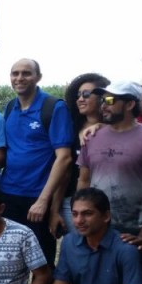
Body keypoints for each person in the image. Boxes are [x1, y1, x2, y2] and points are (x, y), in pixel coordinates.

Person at [77, 80, 142, 284]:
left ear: (129, 104)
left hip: (132, 230)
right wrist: (79, 218)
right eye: (102, 99)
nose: (103, 105)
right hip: (96, 228)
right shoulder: (91, 137)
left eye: (110, 100)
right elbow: (84, 180)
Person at [1, 58, 74, 284]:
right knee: (11, 258)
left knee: (41, 261)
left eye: (26, 73)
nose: (20, 78)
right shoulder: (10, 107)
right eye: (15, 73)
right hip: (9, 194)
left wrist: (47, 204)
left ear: (38, 77)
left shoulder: (53, 108)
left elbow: (64, 159)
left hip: (37, 198)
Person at [59, 72, 107, 236]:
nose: (80, 99)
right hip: (71, 202)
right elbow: (64, 171)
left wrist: (103, 127)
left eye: (86, 94)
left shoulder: (114, 130)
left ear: (102, 97)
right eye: (78, 95)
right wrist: (54, 209)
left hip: (104, 202)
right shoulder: (70, 127)